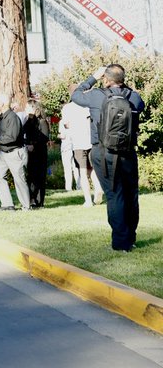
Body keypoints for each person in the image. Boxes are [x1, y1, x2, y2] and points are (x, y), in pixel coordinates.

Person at [71, 64, 144, 252]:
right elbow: (140, 106)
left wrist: (92, 77)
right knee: (131, 194)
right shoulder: (133, 97)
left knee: (114, 194)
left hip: (103, 152)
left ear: (106, 79)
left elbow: (76, 95)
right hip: (127, 152)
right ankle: (131, 237)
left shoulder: (96, 95)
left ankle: (120, 243)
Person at [0, 94, 31, 211]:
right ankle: (7, 204)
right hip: (3, 152)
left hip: (14, 152)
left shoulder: (12, 117)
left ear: (2, 103)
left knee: (19, 179)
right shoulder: (2, 117)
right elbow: (3, 134)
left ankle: (26, 206)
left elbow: (12, 137)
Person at [60, 88, 102, 206]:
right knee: (92, 169)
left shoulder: (67, 108)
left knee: (82, 172)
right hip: (91, 141)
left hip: (77, 142)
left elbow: (66, 125)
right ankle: (98, 188)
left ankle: (88, 200)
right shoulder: (87, 107)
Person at [23, 98, 50, 208]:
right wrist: (29, 118)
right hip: (31, 153)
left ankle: (40, 201)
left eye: (27, 107)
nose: (25, 109)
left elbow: (44, 138)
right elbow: (24, 131)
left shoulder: (42, 121)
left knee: (40, 177)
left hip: (40, 153)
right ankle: (31, 199)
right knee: (31, 177)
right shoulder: (29, 121)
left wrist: (33, 144)